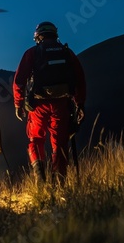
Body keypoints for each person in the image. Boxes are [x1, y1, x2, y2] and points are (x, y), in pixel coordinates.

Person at [13, 21, 86, 185]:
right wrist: (80, 104)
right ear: (55, 34)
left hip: (38, 105)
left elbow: (19, 81)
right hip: (62, 104)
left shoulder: (32, 53)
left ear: (38, 36)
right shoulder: (67, 53)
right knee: (59, 144)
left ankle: (40, 178)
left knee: (36, 140)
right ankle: (59, 182)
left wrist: (19, 104)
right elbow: (80, 80)